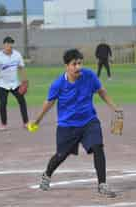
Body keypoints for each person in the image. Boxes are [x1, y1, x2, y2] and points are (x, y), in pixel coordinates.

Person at [29, 48, 121, 198]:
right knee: (61, 155)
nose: (78, 67)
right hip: (67, 126)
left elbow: (101, 91)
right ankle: (47, 175)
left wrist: (114, 107)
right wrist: (37, 120)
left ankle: (102, 184)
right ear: (67, 66)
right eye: (74, 64)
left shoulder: (89, 76)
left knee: (98, 147)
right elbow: (49, 103)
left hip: (89, 121)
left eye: (80, 63)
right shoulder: (58, 84)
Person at [0, 36, 29, 131]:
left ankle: (26, 123)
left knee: (22, 101)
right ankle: (3, 124)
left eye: (11, 43)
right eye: (8, 43)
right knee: (3, 103)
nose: (10, 45)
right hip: (2, 84)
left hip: (15, 83)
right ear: (4, 45)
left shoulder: (17, 55)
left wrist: (24, 80)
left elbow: (21, 67)